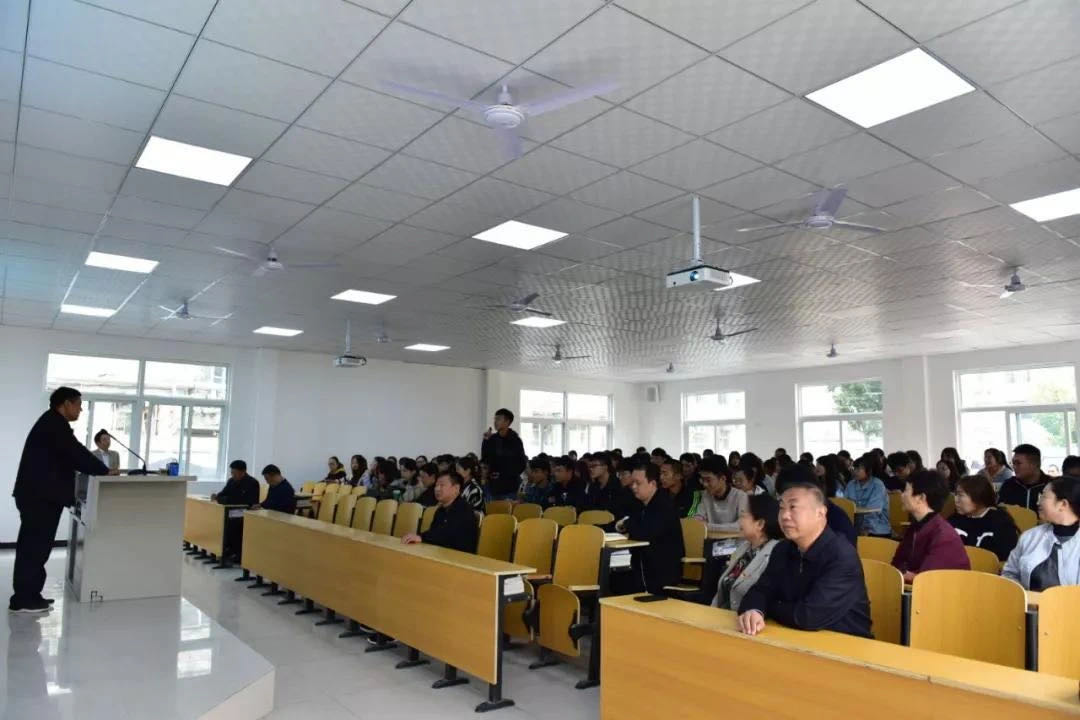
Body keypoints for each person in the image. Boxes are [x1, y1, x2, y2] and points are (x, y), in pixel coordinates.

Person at [10, 387, 114, 613]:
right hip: (40, 497)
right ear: (66, 404)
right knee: (34, 548)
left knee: (37, 547)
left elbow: (72, 453)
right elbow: (75, 453)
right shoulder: (54, 425)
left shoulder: (52, 423)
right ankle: (23, 600)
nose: (80, 410)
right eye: (78, 405)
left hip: (39, 495)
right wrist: (104, 470)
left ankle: (31, 594)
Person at [736, 479, 872, 638]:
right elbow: (759, 591)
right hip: (792, 636)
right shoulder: (782, 549)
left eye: (793, 507)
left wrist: (769, 606)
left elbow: (808, 616)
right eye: (781, 508)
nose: (784, 516)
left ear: (820, 513)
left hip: (845, 643)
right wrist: (755, 611)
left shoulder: (842, 556)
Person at [891, 470, 970, 582]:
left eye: (906, 490)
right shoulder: (916, 527)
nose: (902, 495)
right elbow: (896, 564)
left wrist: (902, 574)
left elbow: (926, 578)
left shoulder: (943, 535)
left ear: (921, 498)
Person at [1003, 476, 1080, 590]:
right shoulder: (1030, 537)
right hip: (1030, 601)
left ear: (1063, 504)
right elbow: (1009, 573)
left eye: (1043, 496)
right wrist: (1024, 595)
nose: (1038, 502)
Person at [712, 494, 783, 610]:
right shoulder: (744, 548)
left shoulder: (775, 554)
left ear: (760, 524)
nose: (739, 521)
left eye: (743, 516)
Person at [623, 462, 684, 594]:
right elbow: (628, 525)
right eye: (632, 483)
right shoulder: (639, 503)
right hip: (642, 565)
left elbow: (643, 534)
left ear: (653, 484)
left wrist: (627, 526)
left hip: (661, 571)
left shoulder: (664, 505)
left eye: (638, 483)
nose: (633, 487)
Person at [778, 462, 855, 545]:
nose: (784, 515)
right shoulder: (783, 547)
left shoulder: (836, 524)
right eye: (782, 506)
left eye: (793, 506)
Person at [402, 471, 478, 553]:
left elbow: (446, 534)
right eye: (436, 485)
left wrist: (421, 537)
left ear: (456, 488)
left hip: (460, 556)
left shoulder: (463, 510)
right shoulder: (440, 510)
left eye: (442, 485)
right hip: (441, 553)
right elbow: (434, 532)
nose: (437, 489)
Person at [948, 475, 1019, 561]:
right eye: (955, 494)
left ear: (978, 496)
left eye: (960, 495)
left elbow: (1007, 558)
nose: (956, 500)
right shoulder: (953, 520)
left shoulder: (1001, 522)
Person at [481, 408, 527, 501]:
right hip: (493, 486)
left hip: (509, 487)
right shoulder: (492, 439)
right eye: (495, 419)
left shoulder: (515, 440)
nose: (495, 422)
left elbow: (521, 463)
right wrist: (485, 441)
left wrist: (506, 474)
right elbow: (485, 459)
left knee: (507, 510)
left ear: (507, 422)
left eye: (498, 419)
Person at [694, 456, 747, 532]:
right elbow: (698, 518)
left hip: (733, 539)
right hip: (711, 538)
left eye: (708, 480)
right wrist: (698, 521)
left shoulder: (740, 496)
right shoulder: (706, 495)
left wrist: (708, 526)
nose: (705, 484)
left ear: (723, 478)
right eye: (702, 479)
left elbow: (741, 525)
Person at [843, 453, 891, 537]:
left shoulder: (877, 485)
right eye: (854, 468)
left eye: (859, 469)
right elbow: (845, 505)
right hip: (856, 528)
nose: (855, 472)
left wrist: (866, 529)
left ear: (869, 470)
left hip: (877, 529)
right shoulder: (851, 484)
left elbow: (873, 511)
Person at [998, 444, 1051, 511]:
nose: (1014, 467)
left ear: (1034, 464)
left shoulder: (1051, 486)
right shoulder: (1008, 485)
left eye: (1018, 463)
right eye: (1013, 463)